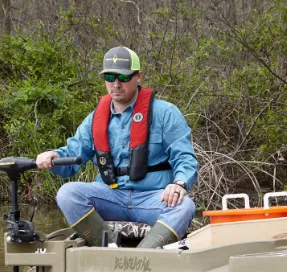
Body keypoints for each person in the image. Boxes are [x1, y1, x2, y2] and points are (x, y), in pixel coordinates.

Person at [36, 46, 198, 249]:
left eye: (123, 77)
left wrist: (179, 184)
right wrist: (53, 156)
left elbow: (185, 158)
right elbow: (71, 157)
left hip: (152, 197)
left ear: (138, 76)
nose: (116, 84)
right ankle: (109, 249)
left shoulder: (166, 113)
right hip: (110, 196)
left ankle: (143, 256)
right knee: (67, 193)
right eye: (110, 77)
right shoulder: (95, 118)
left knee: (184, 206)